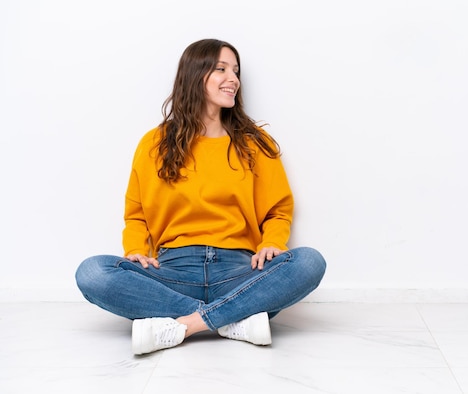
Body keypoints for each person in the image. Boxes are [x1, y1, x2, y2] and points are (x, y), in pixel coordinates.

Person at [75, 39, 326, 355]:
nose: (233, 79)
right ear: (195, 75)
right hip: (171, 272)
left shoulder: (255, 143)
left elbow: (278, 209)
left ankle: (186, 324)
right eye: (221, 69)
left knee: (310, 262)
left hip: (239, 270)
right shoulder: (154, 144)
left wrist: (272, 242)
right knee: (91, 272)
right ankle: (234, 318)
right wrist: (136, 249)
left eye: (235, 71)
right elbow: (136, 213)